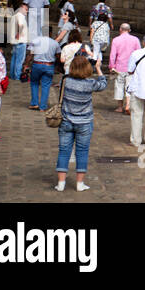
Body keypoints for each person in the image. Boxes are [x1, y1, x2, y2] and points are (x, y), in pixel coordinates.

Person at [54, 47, 106, 192]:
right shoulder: (89, 83)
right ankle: (79, 184)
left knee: (64, 151)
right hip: (84, 122)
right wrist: (98, 68)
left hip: (66, 121)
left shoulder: (66, 80)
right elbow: (103, 84)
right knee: (82, 151)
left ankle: (61, 183)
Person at [109, 23, 141, 114]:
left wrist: (112, 66)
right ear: (129, 30)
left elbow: (112, 55)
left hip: (119, 67)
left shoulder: (116, 40)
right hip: (131, 68)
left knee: (119, 86)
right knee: (129, 87)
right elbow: (139, 54)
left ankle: (119, 107)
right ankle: (128, 105)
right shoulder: (135, 40)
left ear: (120, 29)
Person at [27, 32, 59, 110]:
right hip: (49, 66)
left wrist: (26, 65)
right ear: (50, 33)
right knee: (46, 85)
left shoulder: (35, 41)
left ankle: (34, 103)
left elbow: (30, 55)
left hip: (37, 65)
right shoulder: (55, 43)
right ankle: (43, 106)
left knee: (34, 83)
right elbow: (58, 56)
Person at [9, 2, 29, 80]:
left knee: (14, 59)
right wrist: (19, 33)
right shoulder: (20, 16)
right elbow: (20, 25)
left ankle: (12, 75)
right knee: (19, 60)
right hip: (20, 41)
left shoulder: (14, 16)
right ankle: (17, 76)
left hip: (15, 42)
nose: (26, 11)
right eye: (26, 9)